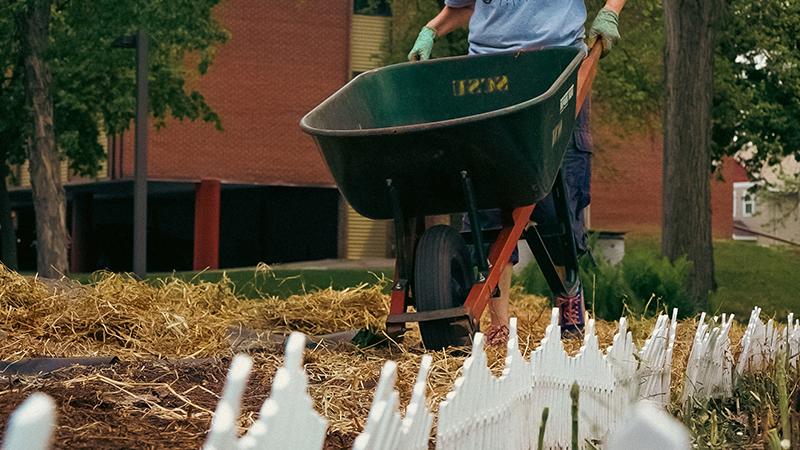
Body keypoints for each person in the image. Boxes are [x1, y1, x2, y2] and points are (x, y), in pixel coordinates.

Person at [408, 0, 625, 345]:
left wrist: (610, 11)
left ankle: (568, 295)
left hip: (556, 71)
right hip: (487, 78)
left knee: (559, 201)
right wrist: (431, 30)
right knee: (486, 202)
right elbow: (463, 7)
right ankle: (498, 324)